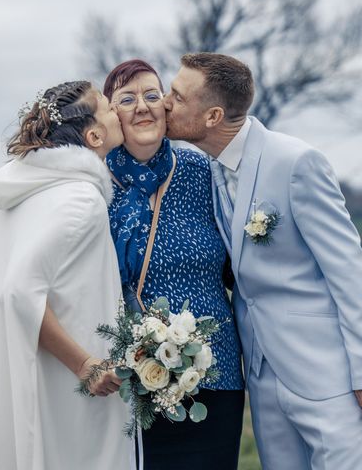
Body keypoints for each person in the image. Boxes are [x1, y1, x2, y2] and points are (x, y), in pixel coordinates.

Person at [163, 52, 362, 470]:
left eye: (178, 97)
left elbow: (348, 269)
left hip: (328, 374)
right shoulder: (209, 168)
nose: (165, 103)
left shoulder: (296, 163)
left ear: (213, 115)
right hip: (263, 376)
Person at [0, 81, 133, 469]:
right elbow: (19, 292)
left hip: (27, 373)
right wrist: (85, 365)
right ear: (94, 135)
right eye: (108, 107)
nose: (118, 112)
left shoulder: (28, 187)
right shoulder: (80, 199)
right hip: (64, 389)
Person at [103, 59, 244, 470]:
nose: (143, 106)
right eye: (127, 99)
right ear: (111, 114)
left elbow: (242, 262)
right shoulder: (94, 183)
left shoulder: (200, 169)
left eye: (152, 94)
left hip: (215, 375)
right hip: (130, 384)